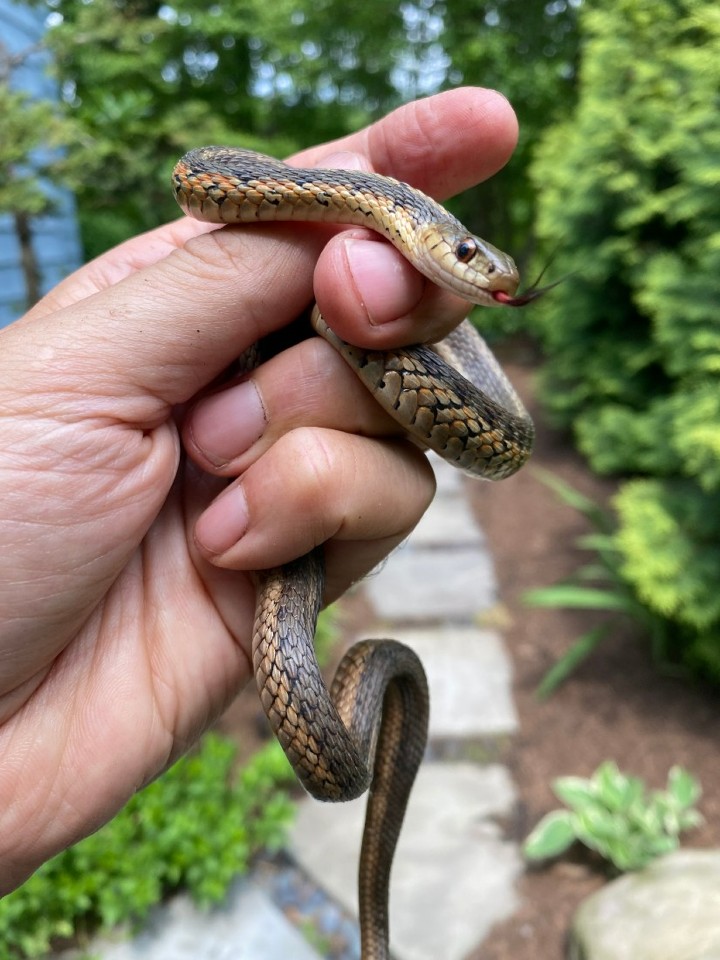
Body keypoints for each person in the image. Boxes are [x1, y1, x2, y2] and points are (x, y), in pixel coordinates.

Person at [0, 86, 518, 894]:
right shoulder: (348, 203)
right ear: (421, 229)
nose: (484, 274)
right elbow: (201, 177)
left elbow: (500, 440)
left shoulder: (370, 230)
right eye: (467, 257)